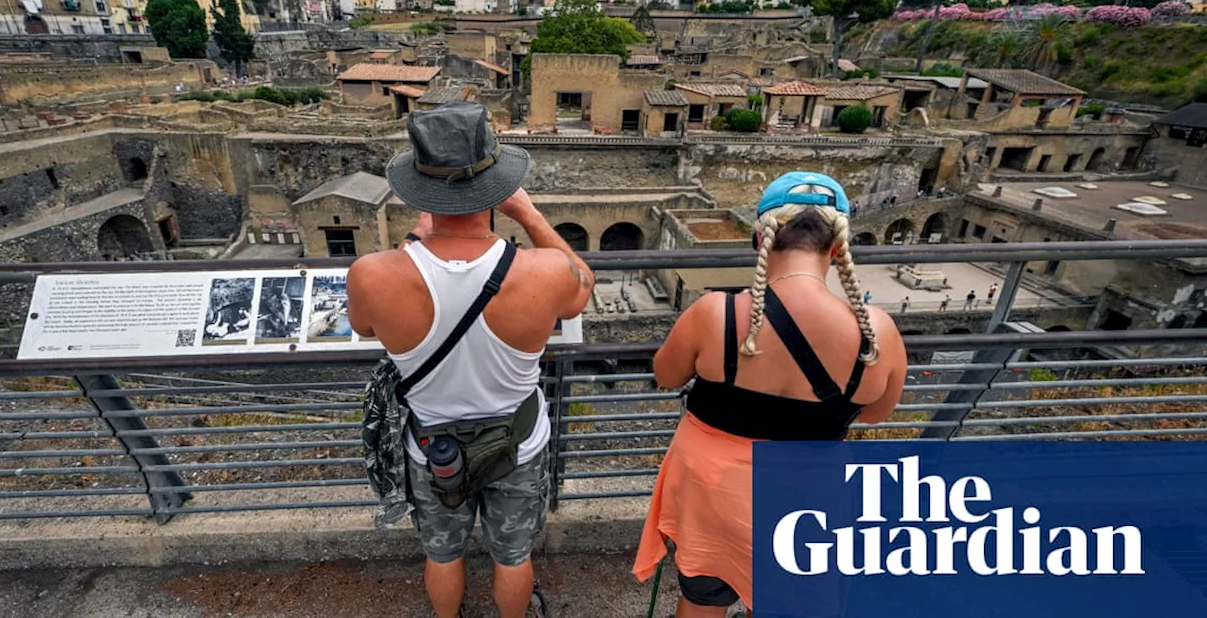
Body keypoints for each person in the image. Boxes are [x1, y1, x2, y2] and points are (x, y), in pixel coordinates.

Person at [348, 104, 593, 618]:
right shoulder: (545, 272)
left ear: (419, 189)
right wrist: (529, 215)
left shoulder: (371, 274)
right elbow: (582, 289)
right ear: (498, 188)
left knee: (442, 554)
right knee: (512, 556)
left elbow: (366, 327)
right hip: (518, 444)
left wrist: (413, 244)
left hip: (433, 447)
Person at [634, 172, 907, 617]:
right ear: (837, 248)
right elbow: (876, 412)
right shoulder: (879, 334)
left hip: (713, 490)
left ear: (759, 238)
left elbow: (665, 375)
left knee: (703, 596)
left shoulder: (715, 313)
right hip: (808, 494)